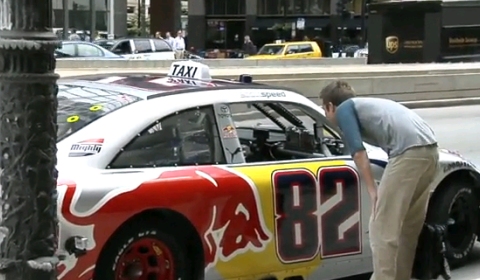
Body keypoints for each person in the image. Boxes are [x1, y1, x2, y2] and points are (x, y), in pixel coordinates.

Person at [319, 81, 439, 280]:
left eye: (325, 109)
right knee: (408, 227)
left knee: (381, 228)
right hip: (431, 151)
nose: (326, 115)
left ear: (331, 106)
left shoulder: (345, 110)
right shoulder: (368, 105)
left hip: (407, 154)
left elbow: (358, 153)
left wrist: (372, 188)